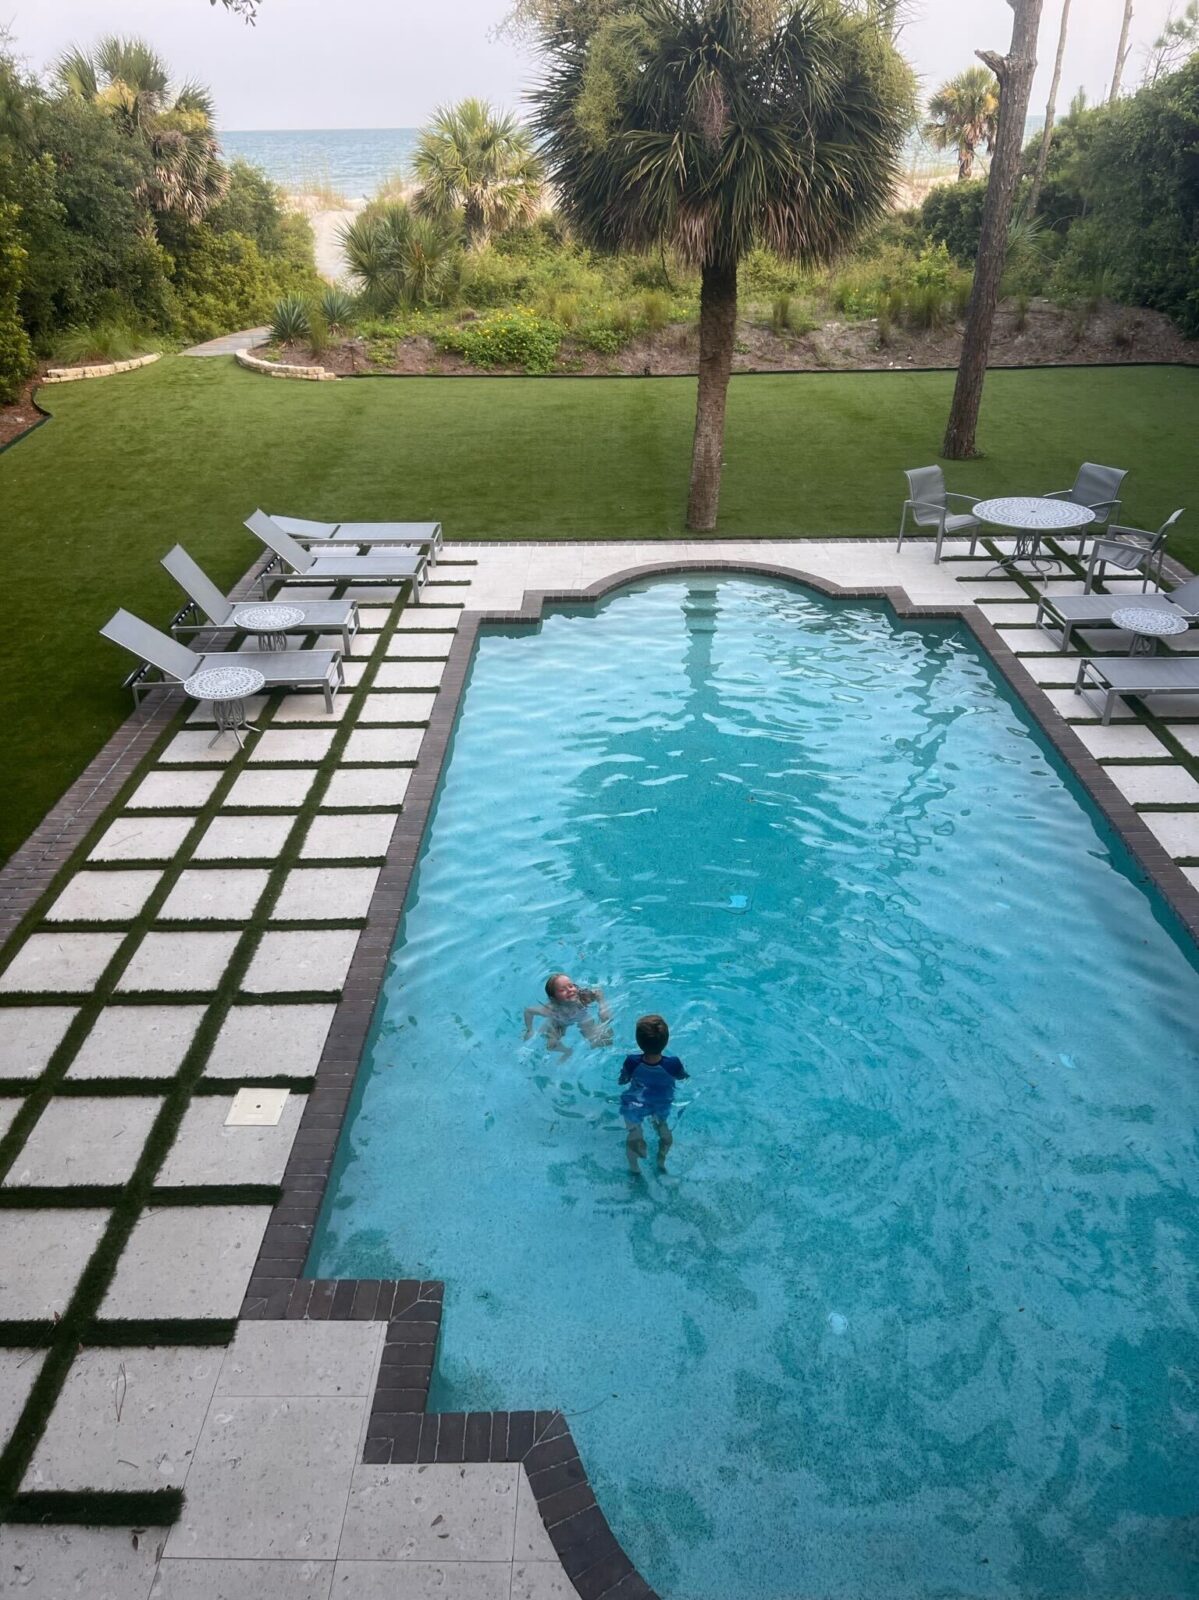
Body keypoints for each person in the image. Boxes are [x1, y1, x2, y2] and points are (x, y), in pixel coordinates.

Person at [619, 1014, 688, 1173]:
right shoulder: (673, 1063)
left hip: (636, 1101)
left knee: (634, 1131)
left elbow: (623, 1080)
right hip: (661, 1101)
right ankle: (661, 1160)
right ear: (666, 1041)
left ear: (638, 1041)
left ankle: (634, 1169)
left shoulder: (632, 1061)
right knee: (663, 1128)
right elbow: (682, 1077)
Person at [523, 973, 612, 1057]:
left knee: (602, 1041)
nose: (569, 990)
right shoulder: (550, 1009)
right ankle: (567, 1052)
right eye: (562, 990)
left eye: (571, 986)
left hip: (582, 1017)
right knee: (551, 1045)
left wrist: (602, 1005)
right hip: (559, 1022)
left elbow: (598, 992)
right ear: (553, 998)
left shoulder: (582, 997)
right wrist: (529, 1030)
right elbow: (528, 1011)